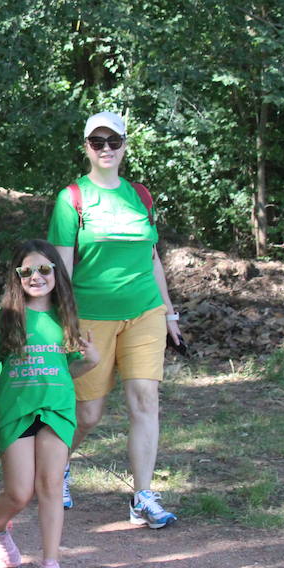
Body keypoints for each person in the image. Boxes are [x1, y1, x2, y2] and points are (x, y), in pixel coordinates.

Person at [47, 112, 184, 528]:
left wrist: (169, 311)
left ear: (125, 144)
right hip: (92, 318)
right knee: (87, 415)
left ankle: (143, 496)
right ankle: (57, 468)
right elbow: (60, 267)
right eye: (96, 142)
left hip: (144, 312)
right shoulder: (72, 198)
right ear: (86, 146)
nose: (105, 149)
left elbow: (153, 257)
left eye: (113, 141)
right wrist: (66, 321)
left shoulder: (139, 195)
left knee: (145, 401)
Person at [0, 240, 100, 568]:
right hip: (16, 408)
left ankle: (50, 565)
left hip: (55, 409)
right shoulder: (5, 318)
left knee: (51, 485)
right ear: (16, 277)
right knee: (20, 492)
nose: (36, 277)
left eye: (43, 270)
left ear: (56, 273)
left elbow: (68, 369)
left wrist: (93, 360)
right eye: (27, 271)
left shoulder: (67, 316)